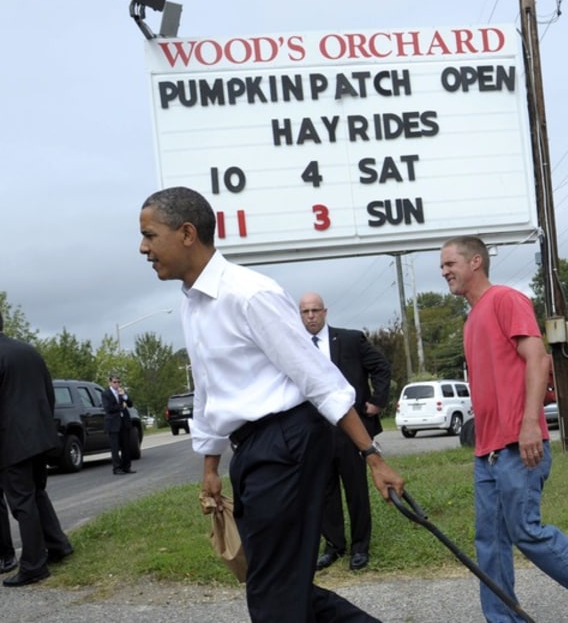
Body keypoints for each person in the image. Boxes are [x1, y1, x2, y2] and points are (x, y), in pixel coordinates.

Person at [138, 186, 405, 622]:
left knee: (272, 591)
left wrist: (372, 457)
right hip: (253, 451)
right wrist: (210, 467)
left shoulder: (249, 294)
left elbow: (318, 377)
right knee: (277, 581)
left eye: (150, 235)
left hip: (288, 443)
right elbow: (209, 389)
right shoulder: (194, 305)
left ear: (187, 233)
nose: (143, 247)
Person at [441, 236, 568, 623]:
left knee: (526, 531)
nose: (445, 272)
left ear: (476, 261)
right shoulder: (472, 318)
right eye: (443, 267)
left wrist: (530, 423)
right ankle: (501, 619)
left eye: (450, 264)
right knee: (490, 544)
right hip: (488, 453)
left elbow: (537, 359)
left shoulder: (506, 300)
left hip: (518, 446)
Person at [299, 292, 392, 572]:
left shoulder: (350, 339)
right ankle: (334, 545)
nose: (311, 316)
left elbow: (381, 367)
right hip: (314, 430)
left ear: (325, 312)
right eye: (305, 312)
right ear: (299, 315)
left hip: (350, 428)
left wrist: (377, 401)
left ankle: (360, 547)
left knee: (356, 488)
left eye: (316, 310)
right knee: (325, 489)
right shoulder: (295, 346)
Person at [0, 314, 74, 587]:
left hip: (11, 442)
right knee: (37, 494)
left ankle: (34, 566)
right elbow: (48, 391)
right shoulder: (28, 351)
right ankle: (58, 545)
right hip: (40, 436)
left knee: (22, 502)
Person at [101, 375, 137, 475]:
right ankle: (117, 468)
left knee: (126, 446)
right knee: (115, 447)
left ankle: (127, 467)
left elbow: (130, 404)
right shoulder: (106, 394)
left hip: (124, 422)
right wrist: (121, 406)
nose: (117, 384)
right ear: (110, 383)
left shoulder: (121, 392)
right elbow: (108, 408)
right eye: (114, 382)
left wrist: (125, 396)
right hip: (113, 423)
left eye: (118, 382)